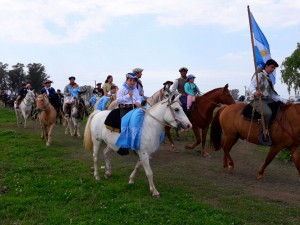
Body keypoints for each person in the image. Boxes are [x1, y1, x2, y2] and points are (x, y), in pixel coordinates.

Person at [248, 59, 288, 140]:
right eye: (272, 67)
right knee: (268, 113)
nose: (273, 69)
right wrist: (255, 92)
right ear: (266, 66)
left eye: (274, 68)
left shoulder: (269, 79)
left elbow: (273, 95)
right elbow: (250, 87)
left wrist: (285, 101)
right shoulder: (259, 75)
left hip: (269, 100)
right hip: (258, 100)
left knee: (281, 108)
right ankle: (262, 133)